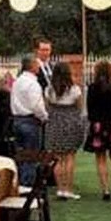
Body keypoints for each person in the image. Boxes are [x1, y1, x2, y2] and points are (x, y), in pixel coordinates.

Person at [84, 60, 111, 200]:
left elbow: (90, 109)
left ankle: (106, 190)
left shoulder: (92, 88)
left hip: (99, 125)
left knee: (101, 158)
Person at [44, 62, 86, 200]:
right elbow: (80, 108)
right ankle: (68, 188)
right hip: (70, 124)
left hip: (55, 124)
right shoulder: (74, 89)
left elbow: (47, 107)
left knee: (57, 158)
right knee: (69, 157)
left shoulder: (49, 89)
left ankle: (60, 188)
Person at [10, 56, 48, 186]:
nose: (39, 67)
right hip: (30, 121)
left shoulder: (17, 82)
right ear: (32, 66)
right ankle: (27, 187)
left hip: (17, 119)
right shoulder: (33, 84)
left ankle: (19, 184)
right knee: (31, 157)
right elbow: (36, 105)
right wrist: (44, 117)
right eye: (37, 65)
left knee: (20, 156)